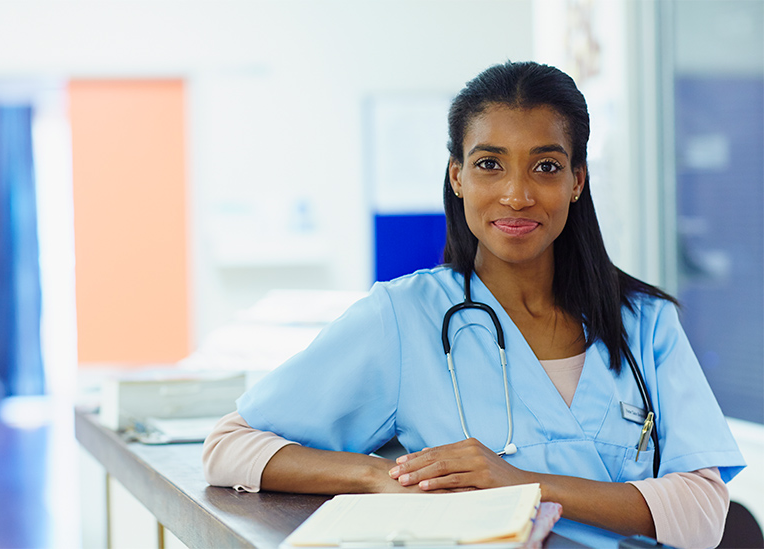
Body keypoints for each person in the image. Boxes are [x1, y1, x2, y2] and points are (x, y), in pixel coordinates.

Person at [202, 61, 745, 549]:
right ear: (457, 176)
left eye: (546, 167)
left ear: (578, 181)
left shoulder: (645, 323)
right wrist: (377, 475)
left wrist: (519, 485)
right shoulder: (404, 316)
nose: (516, 194)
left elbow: (702, 516)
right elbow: (229, 447)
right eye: (490, 164)